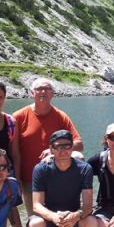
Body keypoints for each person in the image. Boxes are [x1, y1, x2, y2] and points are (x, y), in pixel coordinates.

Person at [25, 130, 114, 227]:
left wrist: (75, 216)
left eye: (67, 146)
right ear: (51, 149)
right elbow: (37, 205)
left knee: (92, 222)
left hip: (74, 218)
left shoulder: (84, 168)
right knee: (34, 224)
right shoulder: (41, 169)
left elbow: (87, 206)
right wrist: (54, 217)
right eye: (58, 147)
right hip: (50, 218)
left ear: (72, 147)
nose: (63, 150)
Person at [14, 78, 84, 215]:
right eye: (39, 89)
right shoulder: (19, 117)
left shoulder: (60, 116)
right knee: (36, 220)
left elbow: (79, 144)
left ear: (53, 93)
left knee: (60, 219)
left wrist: (54, 151)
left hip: (56, 178)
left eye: (47, 89)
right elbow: (11, 150)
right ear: (31, 92)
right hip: (29, 180)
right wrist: (16, 179)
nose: (43, 92)